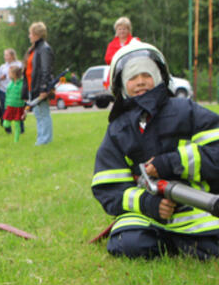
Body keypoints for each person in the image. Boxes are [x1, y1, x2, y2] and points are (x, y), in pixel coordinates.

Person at [91, 41, 219, 259]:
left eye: (147, 74)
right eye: (132, 77)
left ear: (160, 78)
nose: (140, 81)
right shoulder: (117, 130)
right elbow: (108, 187)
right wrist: (148, 203)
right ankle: (185, 245)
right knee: (127, 244)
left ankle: (181, 244)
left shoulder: (186, 111)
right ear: (121, 84)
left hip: (198, 210)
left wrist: (170, 163)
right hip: (146, 216)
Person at [22, 22, 54, 146]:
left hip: (40, 86)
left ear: (36, 34)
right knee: (38, 113)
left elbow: (46, 69)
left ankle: (45, 139)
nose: (29, 36)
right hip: (32, 85)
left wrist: (44, 87)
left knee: (43, 112)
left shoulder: (44, 49)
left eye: (30, 33)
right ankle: (41, 137)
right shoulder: (34, 49)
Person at [0, 49, 21, 133]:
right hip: (3, 90)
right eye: (4, 55)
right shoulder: (3, 66)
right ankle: (8, 129)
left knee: (18, 109)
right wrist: (1, 78)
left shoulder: (19, 65)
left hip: (15, 90)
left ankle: (20, 129)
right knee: (5, 109)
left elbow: (22, 77)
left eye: (6, 55)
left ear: (12, 56)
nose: (5, 57)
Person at [2, 64, 26, 143]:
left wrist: (25, 107)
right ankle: (9, 128)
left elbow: (24, 96)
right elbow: (7, 95)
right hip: (10, 106)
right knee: (5, 124)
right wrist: (6, 105)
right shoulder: (10, 85)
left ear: (14, 74)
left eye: (10, 73)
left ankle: (16, 140)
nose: (8, 75)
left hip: (19, 106)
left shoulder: (22, 84)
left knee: (17, 124)